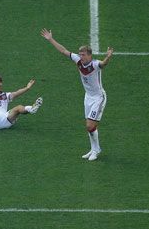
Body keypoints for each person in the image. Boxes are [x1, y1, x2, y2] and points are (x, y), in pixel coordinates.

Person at [41, 28, 113, 161]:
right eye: (80, 54)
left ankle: (96, 150)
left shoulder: (95, 64)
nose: (81, 56)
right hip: (88, 97)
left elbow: (103, 64)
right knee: (89, 126)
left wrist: (108, 56)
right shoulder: (78, 61)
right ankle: (93, 149)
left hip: (98, 98)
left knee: (90, 126)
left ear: (90, 55)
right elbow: (63, 51)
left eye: (84, 54)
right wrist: (51, 39)